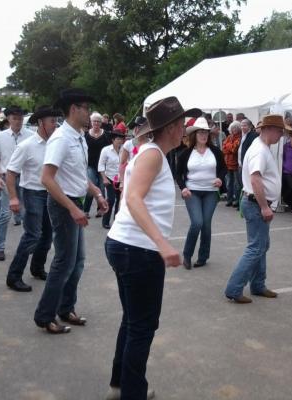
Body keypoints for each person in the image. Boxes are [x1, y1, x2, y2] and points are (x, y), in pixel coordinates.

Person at [104, 96, 201, 400]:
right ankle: (132, 393)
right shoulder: (153, 155)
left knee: (133, 320)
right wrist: (162, 244)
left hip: (127, 246)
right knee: (143, 326)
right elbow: (132, 199)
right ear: (171, 127)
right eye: (183, 123)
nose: (186, 129)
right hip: (138, 250)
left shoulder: (152, 152)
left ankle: (120, 386)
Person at [34, 88, 108, 334]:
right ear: (74, 109)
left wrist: (96, 193)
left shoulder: (78, 137)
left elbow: (77, 176)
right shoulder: (61, 139)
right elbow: (47, 178)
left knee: (77, 262)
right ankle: (45, 316)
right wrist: (73, 208)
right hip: (63, 206)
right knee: (64, 262)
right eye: (86, 107)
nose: (90, 113)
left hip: (73, 203)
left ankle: (66, 308)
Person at [224, 115, 290, 303]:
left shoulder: (261, 148)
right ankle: (234, 288)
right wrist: (264, 207)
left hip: (255, 203)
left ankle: (258, 285)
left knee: (260, 246)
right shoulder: (260, 151)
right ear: (269, 129)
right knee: (256, 247)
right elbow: (255, 179)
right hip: (255, 203)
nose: (281, 135)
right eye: (280, 131)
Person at [5, 106, 62, 292]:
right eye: (52, 121)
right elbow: (11, 173)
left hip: (50, 194)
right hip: (32, 194)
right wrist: (13, 198)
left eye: (56, 121)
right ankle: (14, 276)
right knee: (32, 235)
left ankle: (37, 268)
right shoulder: (26, 145)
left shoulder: (56, 143)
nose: (56, 124)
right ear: (40, 123)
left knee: (46, 237)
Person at [175, 117, 227, 270]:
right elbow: (178, 174)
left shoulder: (216, 152)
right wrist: (183, 187)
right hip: (192, 192)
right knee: (197, 222)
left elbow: (224, 169)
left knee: (206, 225)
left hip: (211, 192)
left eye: (206, 133)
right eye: (200, 133)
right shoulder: (186, 153)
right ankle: (187, 255)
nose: (204, 135)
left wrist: (220, 178)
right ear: (194, 135)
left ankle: (203, 256)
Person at [0, 106, 33, 261]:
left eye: (20, 118)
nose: (18, 121)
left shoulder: (30, 135)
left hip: (26, 178)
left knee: (28, 213)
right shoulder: (1, 137)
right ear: (8, 119)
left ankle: (30, 244)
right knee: (5, 214)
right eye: (15, 118)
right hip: (8, 178)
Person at [84, 112, 110, 218]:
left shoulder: (106, 135)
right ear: (91, 122)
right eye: (94, 121)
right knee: (91, 186)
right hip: (90, 165)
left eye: (98, 121)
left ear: (101, 123)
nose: (96, 123)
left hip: (102, 166)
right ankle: (86, 210)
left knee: (101, 187)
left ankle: (100, 209)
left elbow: (109, 150)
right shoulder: (85, 135)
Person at [98, 130, 125, 229]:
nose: (120, 141)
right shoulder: (106, 150)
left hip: (121, 179)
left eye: (121, 139)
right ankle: (105, 221)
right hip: (109, 178)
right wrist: (104, 178)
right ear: (113, 140)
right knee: (111, 200)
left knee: (120, 201)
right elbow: (101, 165)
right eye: (118, 139)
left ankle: (117, 220)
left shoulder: (124, 150)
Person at [119, 116, 149, 183]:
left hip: (147, 178)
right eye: (135, 127)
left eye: (139, 127)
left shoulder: (151, 144)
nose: (136, 129)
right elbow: (122, 163)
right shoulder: (128, 144)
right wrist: (121, 182)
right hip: (131, 177)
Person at [223, 121, 242, 207]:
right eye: (233, 128)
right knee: (229, 183)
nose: (234, 129)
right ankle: (229, 199)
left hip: (236, 164)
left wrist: (228, 146)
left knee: (237, 184)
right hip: (228, 163)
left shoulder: (240, 138)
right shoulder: (229, 137)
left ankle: (237, 200)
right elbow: (224, 149)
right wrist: (229, 147)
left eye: (236, 128)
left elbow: (235, 150)